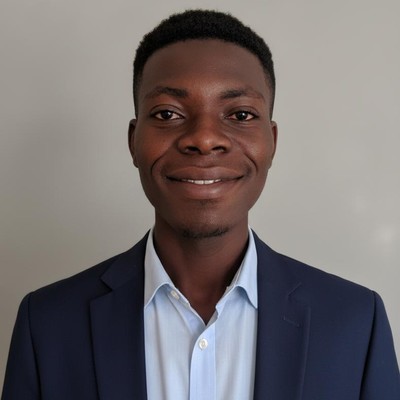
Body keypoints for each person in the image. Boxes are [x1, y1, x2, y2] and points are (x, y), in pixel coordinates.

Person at [2, 9, 399, 400]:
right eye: (167, 113)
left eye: (240, 114)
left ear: (272, 142)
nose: (205, 139)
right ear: (134, 141)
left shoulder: (354, 322)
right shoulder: (48, 324)